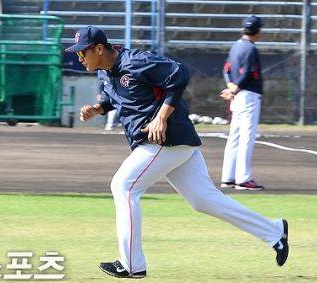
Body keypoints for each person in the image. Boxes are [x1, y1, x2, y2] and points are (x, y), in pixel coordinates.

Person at [66, 26, 289, 279]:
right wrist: (98, 108)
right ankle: (274, 232)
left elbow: (179, 74)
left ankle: (131, 265)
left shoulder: (136, 60)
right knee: (204, 200)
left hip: (165, 140)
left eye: (82, 52)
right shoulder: (104, 72)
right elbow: (117, 98)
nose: (79, 58)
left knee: (124, 186)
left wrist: (161, 117)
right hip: (172, 144)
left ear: (98, 49)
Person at [220, 16, 265, 191]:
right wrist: (235, 90)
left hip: (237, 96)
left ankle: (228, 178)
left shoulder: (236, 45)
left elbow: (226, 70)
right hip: (248, 96)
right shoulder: (251, 49)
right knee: (246, 138)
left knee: (234, 137)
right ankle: (243, 179)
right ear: (258, 31)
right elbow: (247, 74)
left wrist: (231, 87)